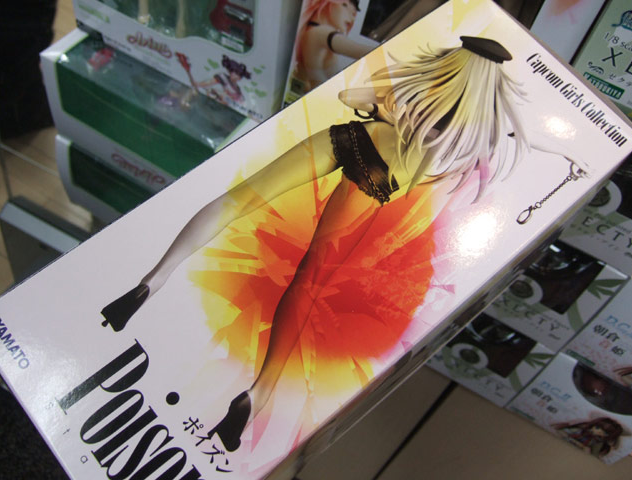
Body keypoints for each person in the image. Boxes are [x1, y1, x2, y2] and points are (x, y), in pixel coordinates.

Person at [101, 36, 583, 452]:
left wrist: (385, 102)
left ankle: (151, 282)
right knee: (312, 279)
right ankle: (258, 394)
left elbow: (352, 93)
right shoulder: (482, 124)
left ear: (460, 55)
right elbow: (526, 150)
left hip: (358, 142)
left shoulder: (425, 81)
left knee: (240, 199)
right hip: (387, 184)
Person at [293, 0, 372, 91]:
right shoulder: (320, 33)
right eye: (344, 5)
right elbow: (361, 51)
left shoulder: (314, 32)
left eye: (353, 13)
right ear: (326, 3)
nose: (352, 18)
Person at [554, 417, 624, 458]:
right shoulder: (580, 430)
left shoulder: (597, 442)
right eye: (597, 427)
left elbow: (594, 454)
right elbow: (561, 431)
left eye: (605, 433)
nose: (598, 432)